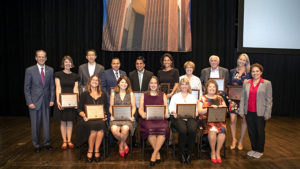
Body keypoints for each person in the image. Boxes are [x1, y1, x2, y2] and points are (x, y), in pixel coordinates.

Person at [24, 50, 55, 152]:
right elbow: (26, 88)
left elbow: (52, 86)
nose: (41, 58)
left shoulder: (50, 70)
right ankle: (36, 145)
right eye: (39, 57)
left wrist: (52, 99)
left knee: (46, 124)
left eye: (43, 57)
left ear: (46, 58)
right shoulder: (29, 70)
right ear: (36, 58)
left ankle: (47, 143)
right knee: (35, 125)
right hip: (34, 102)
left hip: (46, 101)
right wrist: (29, 102)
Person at [239, 63, 272, 159]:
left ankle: (260, 150)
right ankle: (253, 149)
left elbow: (269, 100)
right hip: (248, 111)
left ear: (261, 72)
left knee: (260, 132)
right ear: (251, 73)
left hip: (261, 112)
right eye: (253, 71)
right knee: (251, 131)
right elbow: (243, 97)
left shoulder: (267, 83)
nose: (255, 73)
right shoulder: (246, 82)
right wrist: (241, 110)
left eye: (257, 71)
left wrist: (268, 112)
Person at [139, 76, 169, 166]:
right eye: (151, 83)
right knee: (149, 129)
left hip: (160, 119)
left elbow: (166, 108)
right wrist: (142, 114)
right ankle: (157, 153)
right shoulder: (143, 95)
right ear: (149, 84)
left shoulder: (162, 94)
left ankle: (154, 153)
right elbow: (140, 109)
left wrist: (166, 114)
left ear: (158, 85)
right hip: (148, 119)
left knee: (164, 129)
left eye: (155, 83)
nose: (153, 85)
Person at [77, 75, 108, 162]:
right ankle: (90, 150)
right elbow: (79, 109)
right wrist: (84, 116)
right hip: (87, 119)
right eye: (93, 80)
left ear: (99, 83)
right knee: (93, 129)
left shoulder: (103, 94)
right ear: (90, 82)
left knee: (101, 127)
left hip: (99, 119)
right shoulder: (84, 94)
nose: (95, 82)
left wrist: (105, 116)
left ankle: (96, 150)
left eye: (97, 80)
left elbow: (104, 109)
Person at [169, 78, 198, 164]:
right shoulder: (175, 96)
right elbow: (171, 109)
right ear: (180, 86)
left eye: (186, 84)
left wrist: (195, 113)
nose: (184, 86)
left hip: (190, 118)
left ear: (188, 86)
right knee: (183, 130)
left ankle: (189, 154)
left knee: (192, 130)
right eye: (182, 84)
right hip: (178, 118)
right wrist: (174, 112)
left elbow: (196, 109)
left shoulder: (192, 96)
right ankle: (181, 153)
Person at [198, 79, 227, 164]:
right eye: (210, 86)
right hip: (206, 120)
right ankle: (213, 152)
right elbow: (199, 111)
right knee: (213, 130)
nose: (212, 88)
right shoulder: (202, 98)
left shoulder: (220, 98)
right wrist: (209, 109)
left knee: (223, 130)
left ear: (216, 88)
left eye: (213, 87)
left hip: (218, 120)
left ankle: (218, 152)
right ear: (206, 88)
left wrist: (221, 107)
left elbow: (226, 110)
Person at [53, 56, 79, 150]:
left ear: (72, 64)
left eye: (69, 62)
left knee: (70, 121)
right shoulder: (58, 74)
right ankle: (64, 141)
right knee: (63, 121)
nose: (67, 64)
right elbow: (58, 88)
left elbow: (75, 89)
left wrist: (76, 101)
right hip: (62, 100)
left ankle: (69, 140)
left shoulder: (76, 76)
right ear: (63, 64)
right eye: (65, 62)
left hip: (71, 101)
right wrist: (58, 101)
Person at [109, 75, 136, 157]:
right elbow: (111, 106)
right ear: (118, 83)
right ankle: (124, 144)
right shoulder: (113, 93)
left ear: (128, 84)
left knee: (125, 129)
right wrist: (112, 115)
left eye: (126, 82)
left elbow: (134, 106)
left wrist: (132, 115)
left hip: (128, 118)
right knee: (113, 130)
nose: (124, 84)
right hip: (116, 118)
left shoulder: (131, 94)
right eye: (122, 82)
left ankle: (121, 146)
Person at [228, 53, 251, 150]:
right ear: (238, 60)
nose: (241, 61)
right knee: (232, 120)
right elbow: (229, 84)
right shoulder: (232, 71)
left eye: (244, 60)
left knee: (244, 120)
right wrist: (229, 97)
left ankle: (241, 140)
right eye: (240, 59)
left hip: (245, 101)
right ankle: (234, 139)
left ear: (247, 62)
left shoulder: (249, 73)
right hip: (233, 99)